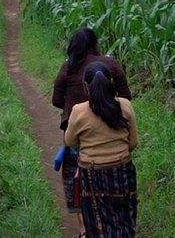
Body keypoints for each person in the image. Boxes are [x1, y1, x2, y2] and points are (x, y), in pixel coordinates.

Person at [53, 28, 132, 221]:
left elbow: (56, 100)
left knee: (77, 182)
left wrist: (76, 107)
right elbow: (126, 97)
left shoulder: (68, 67)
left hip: (77, 133)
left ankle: (83, 230)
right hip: (112, 131)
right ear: (95, 44)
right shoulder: (110, 64)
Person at [64, 61, 139, 237]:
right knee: (124, 220)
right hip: (123, 173)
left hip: (93, 175)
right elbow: (133, 142)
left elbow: (70, 141)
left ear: (86, 86)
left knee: (97, 225)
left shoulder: (79, 111)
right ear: (111, 81)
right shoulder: (125, 105)